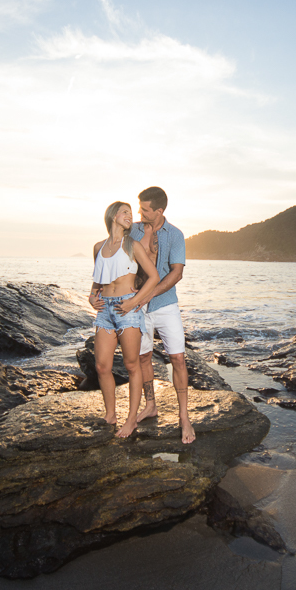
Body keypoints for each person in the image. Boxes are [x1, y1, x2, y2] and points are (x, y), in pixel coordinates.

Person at [129, 186, 195, 444]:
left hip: (166, 305)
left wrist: (149, 294)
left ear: (159, 210)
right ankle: (150, 405)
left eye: (144, 209)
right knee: (143, 357)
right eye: (139, 208)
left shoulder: (176, 235)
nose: (139, 212)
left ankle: (184, 416)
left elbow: (176, 273)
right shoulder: (132, 230)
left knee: (178, 358)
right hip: (137, 307)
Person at [88, 201, 159, 438]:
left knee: (131, 365)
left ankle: (131, 420)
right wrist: (91, 295)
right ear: (113, 216)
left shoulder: (132, 245)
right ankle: (110, 415)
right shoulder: (99, 247)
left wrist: (134, 301)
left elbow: (154, 277)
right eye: (125, 212)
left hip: (127, 308)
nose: (130, 216)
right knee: (102, 366)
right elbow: (99, 278)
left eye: (131, 212)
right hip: (105, 311)